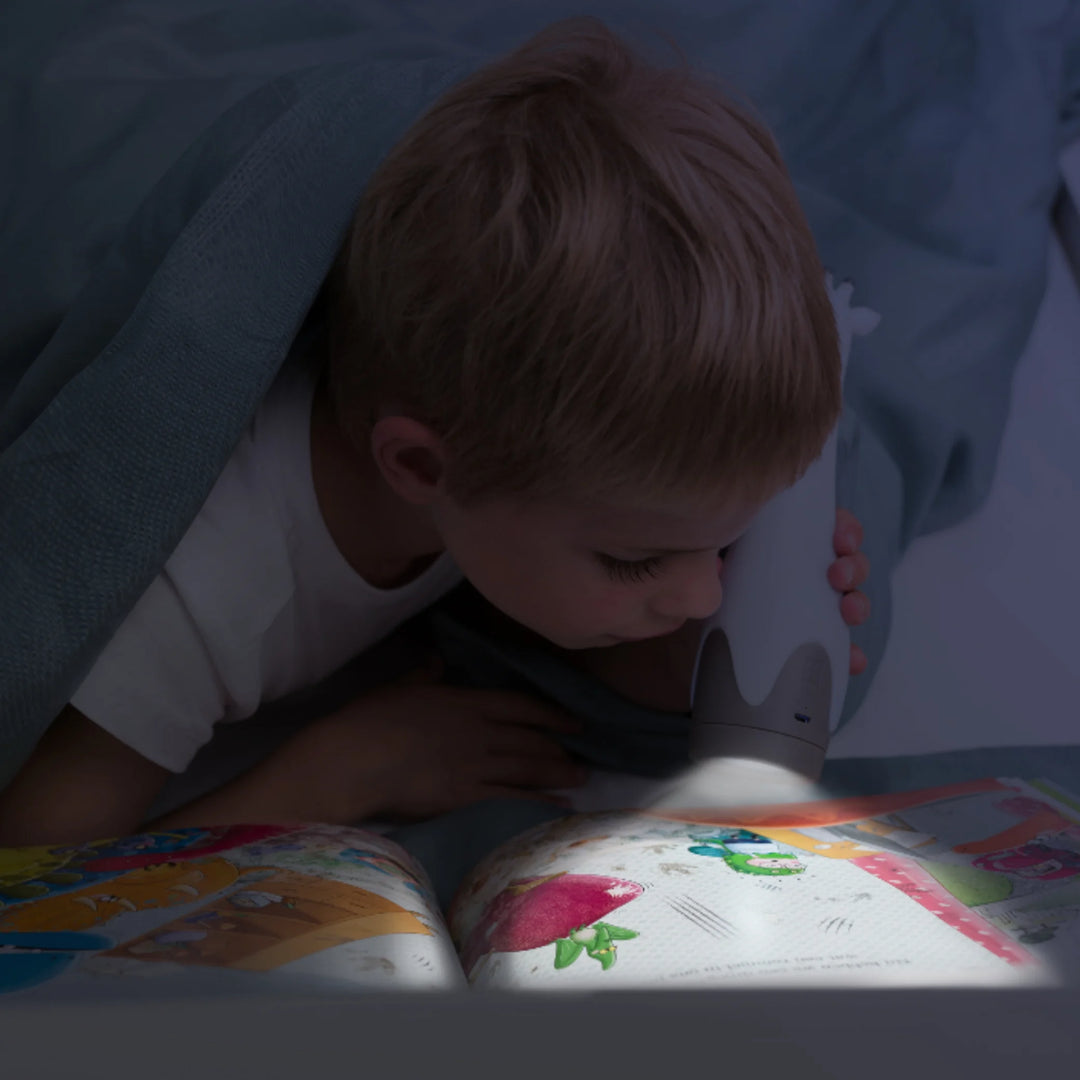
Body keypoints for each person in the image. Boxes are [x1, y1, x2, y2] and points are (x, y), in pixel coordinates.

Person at [0, 17, 870, 848]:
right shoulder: (202, 592)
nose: (704, 595)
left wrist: (714, 625)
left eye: (717, 551)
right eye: (636, 560)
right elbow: (34, 879)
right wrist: (345, 771)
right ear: (420, 465)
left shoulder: (518, 454)